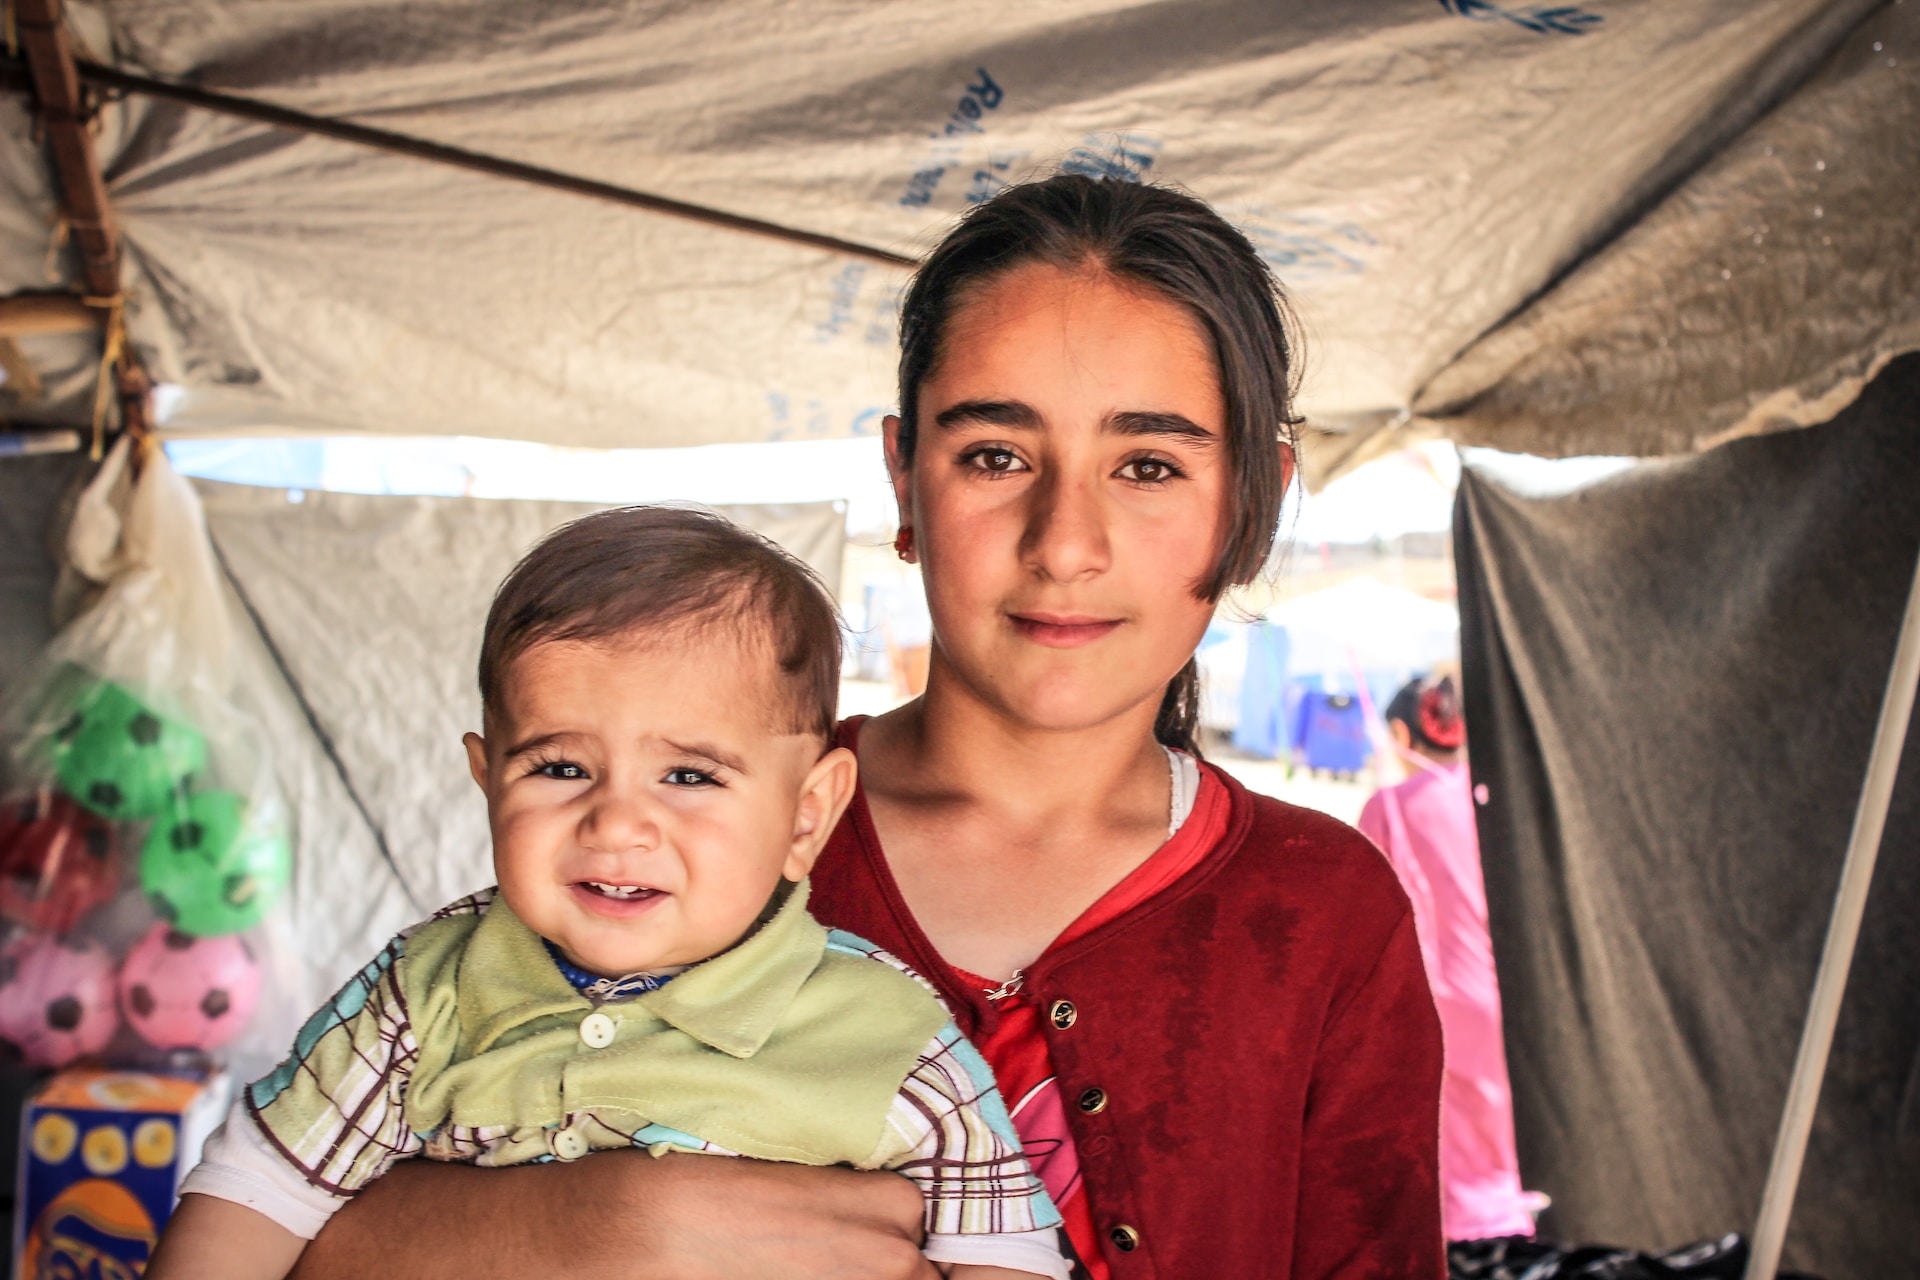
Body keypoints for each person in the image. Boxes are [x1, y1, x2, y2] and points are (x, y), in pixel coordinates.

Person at [286, 174, 1445, 1280]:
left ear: (1255, 501)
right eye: (995, 454)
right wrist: (589, 1222)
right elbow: (290, 1210)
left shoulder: (1323, 908)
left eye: (1148, 464)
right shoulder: (670, 826)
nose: (1064, 540)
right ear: (904, 480)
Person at [147, 507, 1070, 1280]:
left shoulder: (893, 1038)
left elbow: (1007, 1256)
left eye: (690, 778)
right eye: (560, 766)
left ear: (805, 816)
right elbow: (255, 1192)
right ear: (487, 781)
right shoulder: (419, 998)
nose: (616, 824)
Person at [1357, 674, 1540, 1243]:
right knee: (1498, 1131)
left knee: (1452, 1146)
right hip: (1508, 983)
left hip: (1440, 994)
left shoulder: (1389, 806)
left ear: (1399, 732)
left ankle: (1476, 1239)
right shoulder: (1486, 796)